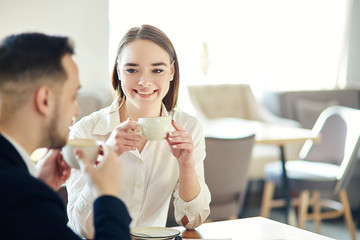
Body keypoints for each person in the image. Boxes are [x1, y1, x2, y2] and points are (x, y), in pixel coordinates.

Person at [66, 24, 211, 238]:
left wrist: (186, 163)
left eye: (157, 70)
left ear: (171, 71)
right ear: (118, 70)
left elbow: (192, 220)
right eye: (132, 70)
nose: (144, 82)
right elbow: (83, 229)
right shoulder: (86, 132)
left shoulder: (188, 128)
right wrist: (109, 155)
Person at [0, 33, 131, 240]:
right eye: (73, 96)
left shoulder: (22, 190)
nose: (76, 111)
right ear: (45, 100)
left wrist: (38, 185)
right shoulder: (20, 195)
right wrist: (107, 196)